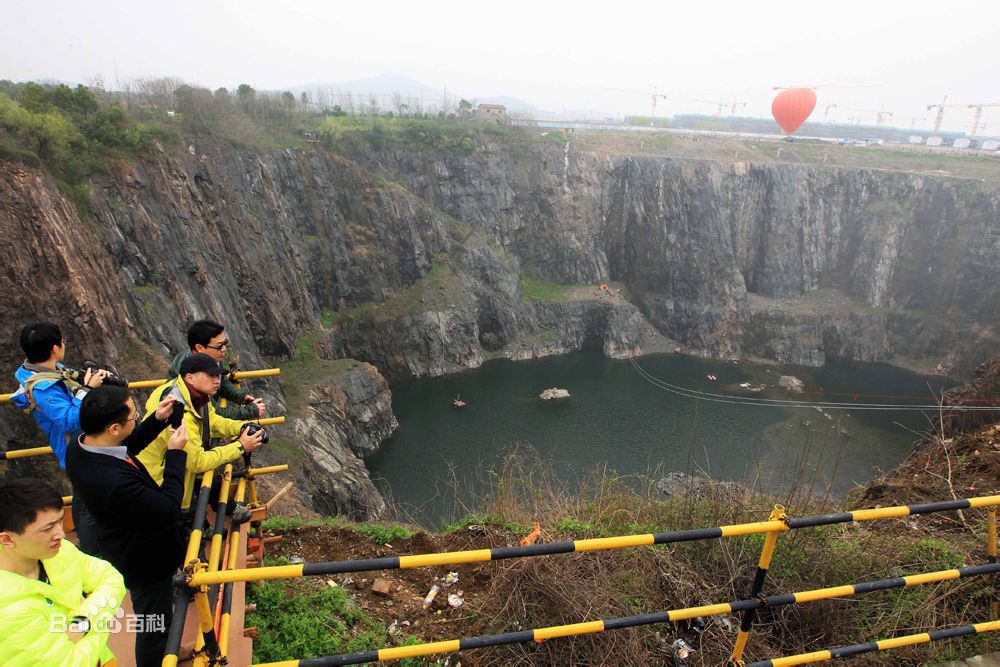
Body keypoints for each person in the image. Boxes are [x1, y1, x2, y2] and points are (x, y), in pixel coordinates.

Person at [66, 385, 187, 667]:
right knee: (153, 626)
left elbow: (125, 447)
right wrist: (176, 455)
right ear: (112, 428)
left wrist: (155, 421)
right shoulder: (112, 483)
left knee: (157, 619)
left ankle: (166, 648)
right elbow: (168, 508)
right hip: (144, 560)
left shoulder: (82, 445)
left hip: (122, 542)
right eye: (135, 416)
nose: (137, 418)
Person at [0, 478, 125, 667]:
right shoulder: (8, 611)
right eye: (48, 528)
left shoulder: (58, 552)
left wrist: (81, 623)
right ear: (8, 539)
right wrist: (101, 619)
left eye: (60, 521)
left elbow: (112, 579)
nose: (61, 534)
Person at [11, 321, 109, 556]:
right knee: (86, 505)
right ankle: (91, 554)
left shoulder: (47, 369)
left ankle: (97, 548)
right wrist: (87, 389)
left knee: (91, 500)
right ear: (55, 347)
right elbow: (68, 420)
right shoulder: (42, 386)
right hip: (74, 450)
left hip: (83, 447)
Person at [139, 354, 264, 512]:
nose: (217, 380)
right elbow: (198, 462)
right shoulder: (179, 412)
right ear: (190, 377)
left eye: (217, 375)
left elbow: (212, 421)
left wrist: (241, 428)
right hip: (157, 486)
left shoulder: (191, 394)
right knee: (181, 530)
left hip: (168, 477)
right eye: (210, 375)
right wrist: (240, 446)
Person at [167, 319, 266, 420]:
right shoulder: (189, 374)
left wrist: (240, 396)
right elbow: (213, 414)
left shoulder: (211, 358)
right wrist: (250, 411)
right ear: (199, 348)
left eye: (225, 343)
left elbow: (221, 380)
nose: (224, 349)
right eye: (219, 346)